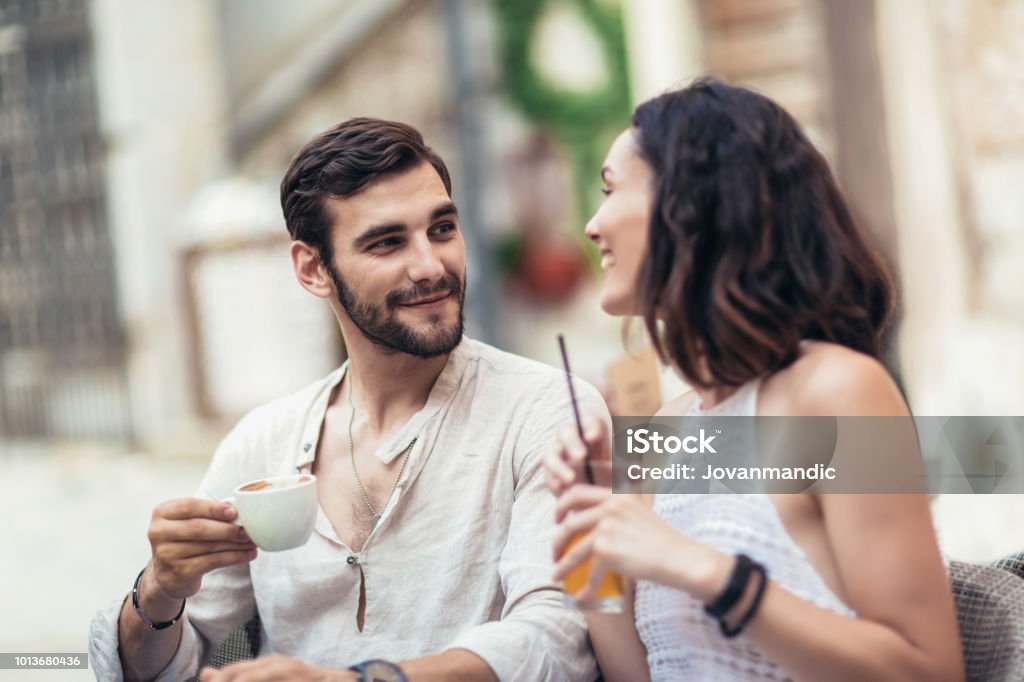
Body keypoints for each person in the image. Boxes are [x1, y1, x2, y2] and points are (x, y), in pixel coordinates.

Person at [89, 118, 605, 682]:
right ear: (313, 269)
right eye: (387, 242)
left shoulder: (546, 410)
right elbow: (154, 670)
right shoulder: (263, 443)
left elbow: (559, 638)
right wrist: (159, 591)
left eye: (442, 229)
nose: (431, 266)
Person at [545, 78, 965, 681]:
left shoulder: (838, 392)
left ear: (690, 206)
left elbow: (929, 671)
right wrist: (590, 541)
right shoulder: (664, 433)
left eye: (611, 189)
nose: (591, 224)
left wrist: (704, 570)